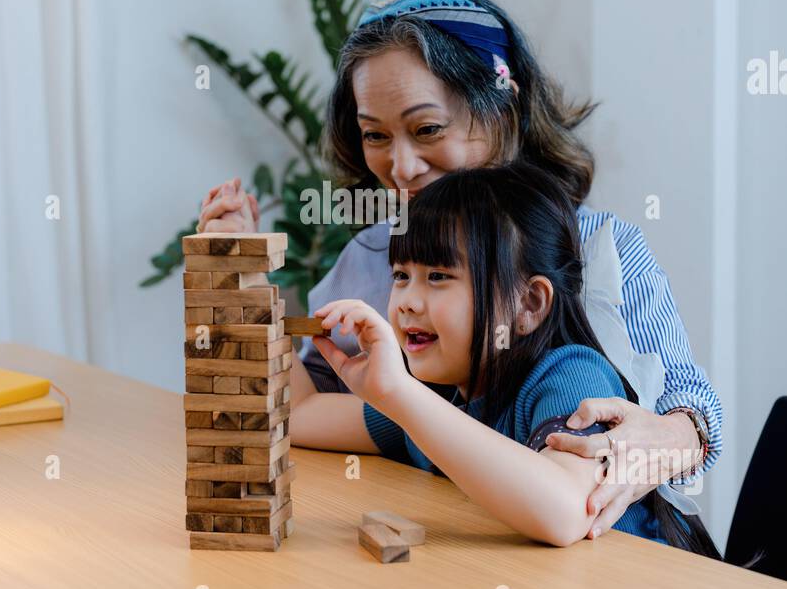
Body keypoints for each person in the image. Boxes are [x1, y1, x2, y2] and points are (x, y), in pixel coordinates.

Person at [198, 0, 721, 540]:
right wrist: (241, 275)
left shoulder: (574, 354)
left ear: (501, 109)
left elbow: (688, 416)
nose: (400, 167)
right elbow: (301, 405)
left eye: (427, 129)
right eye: (375, 134)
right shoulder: (387, 285)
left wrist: (672, 439)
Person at [290, 164, 720, 555]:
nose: (406, 302)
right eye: (401, 276)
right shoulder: (440, 395)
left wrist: (400, 395)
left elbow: (568, 510)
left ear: (529, 304)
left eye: (438, 277)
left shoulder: (570, 375)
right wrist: (244, 288)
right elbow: (298, 413)